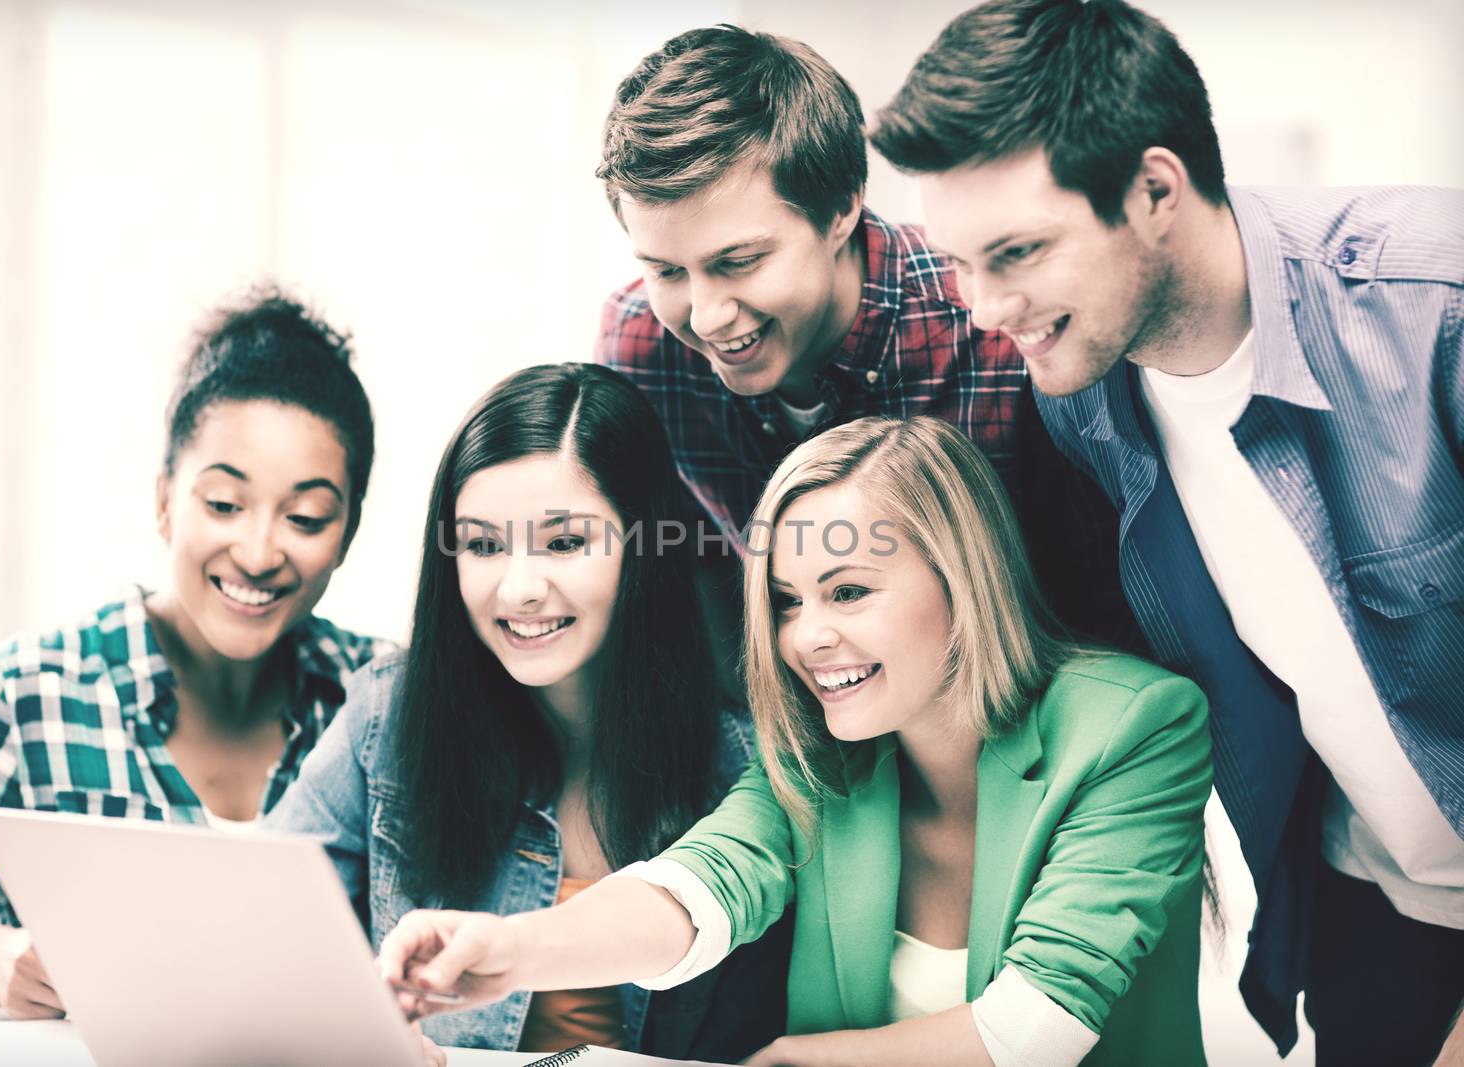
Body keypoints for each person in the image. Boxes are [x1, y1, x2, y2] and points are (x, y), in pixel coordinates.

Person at [866, 1, 1464, 1063]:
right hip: (1374, 902)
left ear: (1153, 189)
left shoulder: (1434, 309)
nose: (983, 307)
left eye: (1016, 251)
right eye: (957, 261)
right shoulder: (1079, 395)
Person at [378, 416, 1213, 1067]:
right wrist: (512, 949)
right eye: (785, 601)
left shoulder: (1137, 727)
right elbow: (697, 887)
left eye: (847, 591)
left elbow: (1035, 1029)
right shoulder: (823, 755)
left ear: (964, 579)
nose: (805, 637)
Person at [0, 290, 392, 1019]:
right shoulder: (24, 698)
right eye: (223, 504)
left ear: (348, 531)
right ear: (164, 501)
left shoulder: (381, 701)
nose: (260, 550)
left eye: (305, 517)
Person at [266, 363, 789, 1061]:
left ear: (645, 548)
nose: (519, 587)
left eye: (564, 543)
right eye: (482, 545)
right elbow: (253, 925)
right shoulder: (386, 713)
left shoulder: (744, 763)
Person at [592, 23, 1139, 653]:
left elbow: (1105, 607)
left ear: (840, 210)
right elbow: (683, 574)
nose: (708, 315)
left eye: (739, 261)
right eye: (666, 271)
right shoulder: (641, 345)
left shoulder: (998, 327)